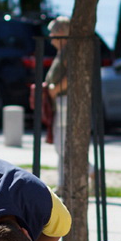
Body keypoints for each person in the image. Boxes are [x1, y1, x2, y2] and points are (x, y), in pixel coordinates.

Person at [44, 17, 70, 189]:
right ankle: (62, 183)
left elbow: (72, 75)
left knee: (62, 144)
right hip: (60, 101)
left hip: (64, 100)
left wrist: (55, 89)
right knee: (60, 145)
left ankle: (91, 171)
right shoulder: (63, 51)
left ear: (61, 33)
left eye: (52, 32)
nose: (50, 37)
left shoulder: (68, 50)